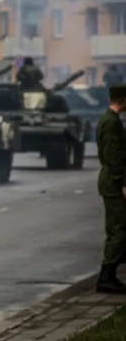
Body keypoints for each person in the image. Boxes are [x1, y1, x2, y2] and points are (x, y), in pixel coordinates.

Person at [95, 83, 126, 294]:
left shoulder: (109, 119)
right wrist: (123, 182)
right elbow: (114, 156)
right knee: (118, 228)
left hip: (111, 179)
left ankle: (110, 273)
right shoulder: (111, 122)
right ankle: (106, 276)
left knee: (118, 226)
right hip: (113, 181)